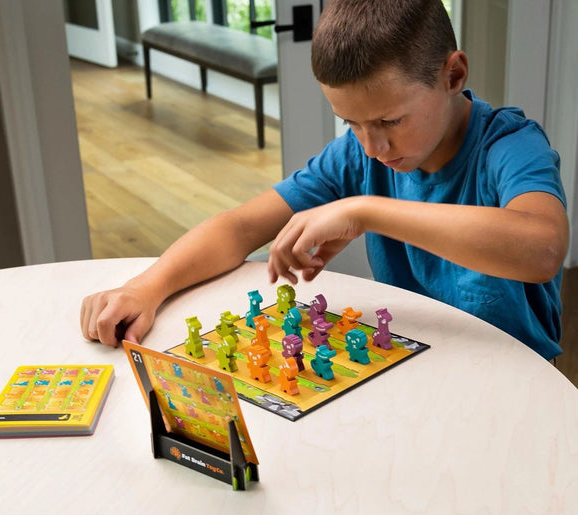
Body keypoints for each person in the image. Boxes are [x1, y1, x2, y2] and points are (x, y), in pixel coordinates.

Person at [80, 0, 568, 361]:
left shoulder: (510, 145)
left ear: (453, 74)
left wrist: (364, 211)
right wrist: (147, 287)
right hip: (417, 361)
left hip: (514, 374)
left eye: (390, 121)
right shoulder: (356, 156)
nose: (372, 147)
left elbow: (542, 249)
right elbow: (238, 228)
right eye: (350, 124)